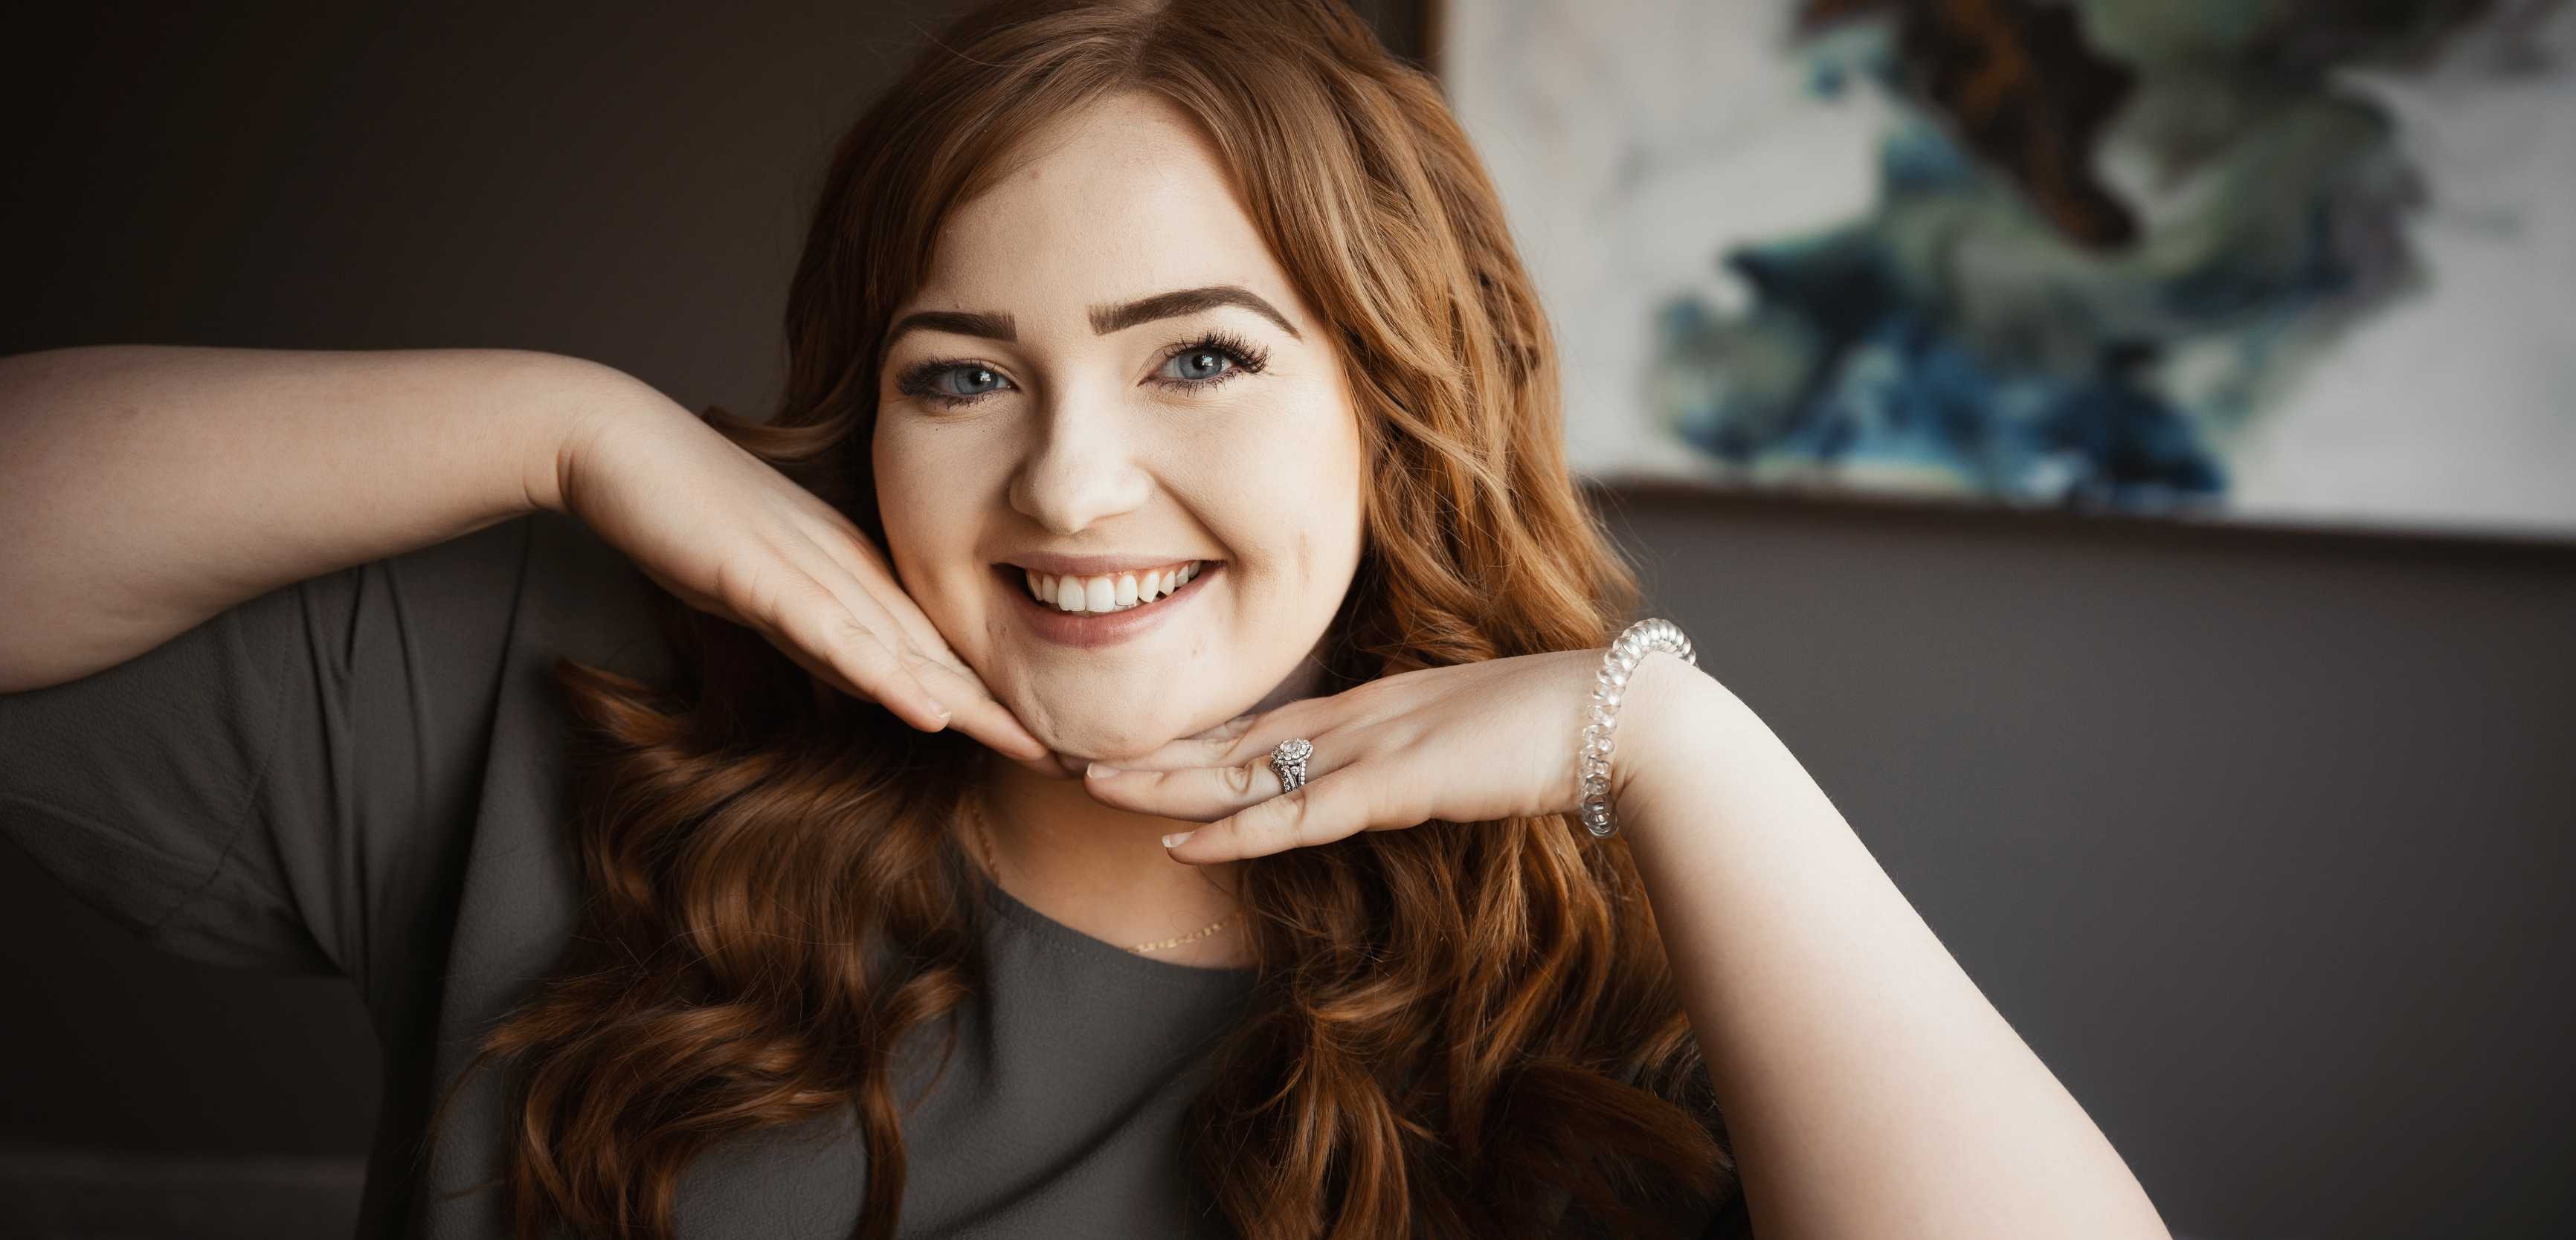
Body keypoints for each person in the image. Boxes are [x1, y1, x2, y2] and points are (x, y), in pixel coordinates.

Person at [0, 1, 2175, 1238]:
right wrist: (566, 427)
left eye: (1201, 356)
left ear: (1400, 403)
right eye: (963, 372)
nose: (1064, 480)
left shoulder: (1611, 1003)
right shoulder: (586, 701)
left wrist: (1680, 740)